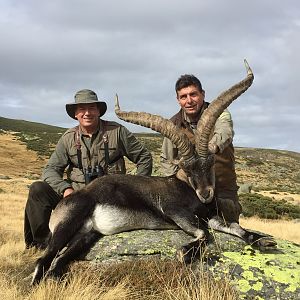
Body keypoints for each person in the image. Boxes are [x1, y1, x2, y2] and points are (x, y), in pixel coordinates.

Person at [24, 89, 152, 249]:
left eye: (92, 108)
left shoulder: (117, 132)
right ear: (75, 114)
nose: (87, 113)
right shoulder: (68, 138)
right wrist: (66, 189)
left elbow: (144, 158)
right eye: (82, 109)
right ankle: (42, 243)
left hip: (110, 200)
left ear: (98, 111)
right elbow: (50, 170)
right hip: (76, 197)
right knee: (38, 189)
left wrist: (135, 190)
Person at [160, 74, 241, 223]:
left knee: (231, 231)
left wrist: (211, 147)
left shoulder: (219, 114)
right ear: (178, 100)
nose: (189, 100)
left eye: (193, 94)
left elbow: (225, 131)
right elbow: (167, 162)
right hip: (191, 194)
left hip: (223, 191)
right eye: (183, 96)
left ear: (202, 94)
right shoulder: (172, 126)